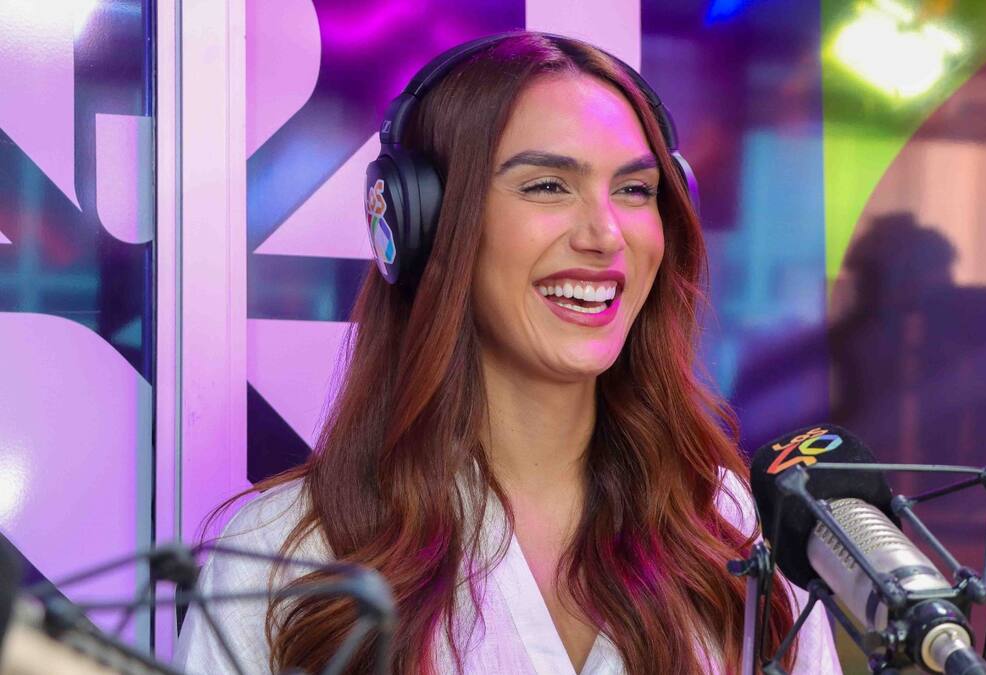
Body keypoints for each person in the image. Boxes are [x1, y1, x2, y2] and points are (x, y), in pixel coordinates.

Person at [174, 31, 841, 675]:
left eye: (635, 190)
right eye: (547, 185)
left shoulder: (730, 522)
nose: (606, 234)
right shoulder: (285, 551)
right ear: (426, 222)